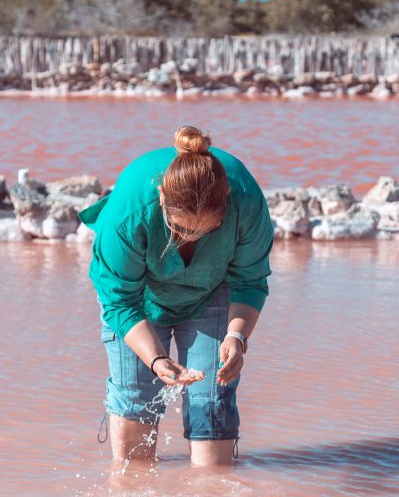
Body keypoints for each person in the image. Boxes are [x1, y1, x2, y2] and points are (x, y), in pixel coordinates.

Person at [77, 125, 274, 467]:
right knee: (135, 402)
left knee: (212, 400)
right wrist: (156, 359)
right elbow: (119, 300)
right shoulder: (128, 214)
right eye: (180, 229)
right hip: (137, 300)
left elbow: (250, 282)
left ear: (226, 202)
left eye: (206, 231)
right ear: (163, 199)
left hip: (212, 289)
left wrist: (236, 336)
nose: (188, 239)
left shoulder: (247, 202)